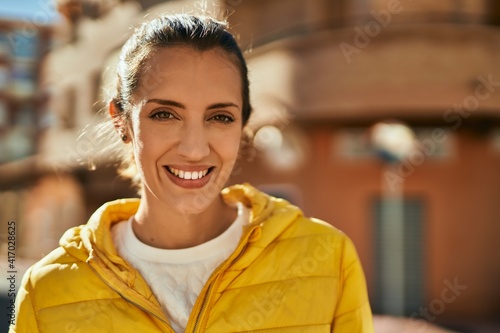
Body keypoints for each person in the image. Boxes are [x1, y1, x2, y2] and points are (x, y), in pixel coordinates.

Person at [11, 14, 374, 333]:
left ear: (243, 124)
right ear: (121, 121)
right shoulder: (47, 290)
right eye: (165, 114)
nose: (195, 149)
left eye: (220, 117)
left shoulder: (328, 258)